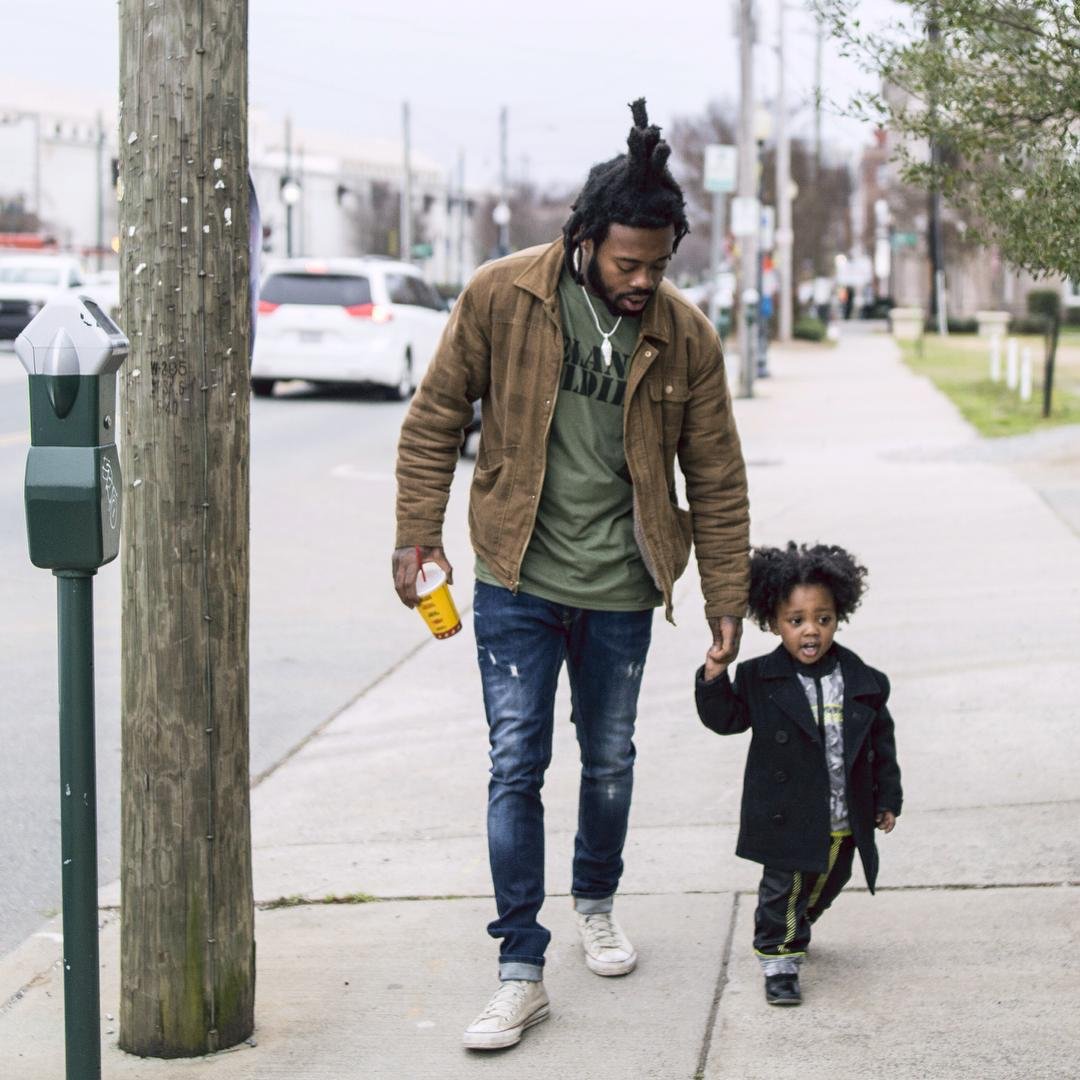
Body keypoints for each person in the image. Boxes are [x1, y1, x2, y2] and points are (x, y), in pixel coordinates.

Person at [393, 99, 750, 1050]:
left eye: (658, 265)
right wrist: (416, 533)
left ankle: (595, 899)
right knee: (516, 762)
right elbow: (434, 420)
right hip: (516, 577)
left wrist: (726, 597)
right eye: (628, 263)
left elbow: (716, 475)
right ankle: (520, 967)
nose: (643, 280)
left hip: (623, 588)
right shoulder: (501, 296)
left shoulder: (685, 336)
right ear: (585, 238)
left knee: (611, 758)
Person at [695, 542, 902, 1006]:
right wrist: (714, 674)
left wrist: (887, 797)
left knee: (831, 879)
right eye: (796, 620)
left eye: (822, 618)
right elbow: (726, 720)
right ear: (774, 623)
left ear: (838, 617)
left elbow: (881, 747)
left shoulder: (864, 680)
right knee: (784, 889)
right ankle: (779, 960)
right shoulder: (759, 677)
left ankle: (794, 924)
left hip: (844, 813)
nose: (811, 630)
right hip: (787, 814)